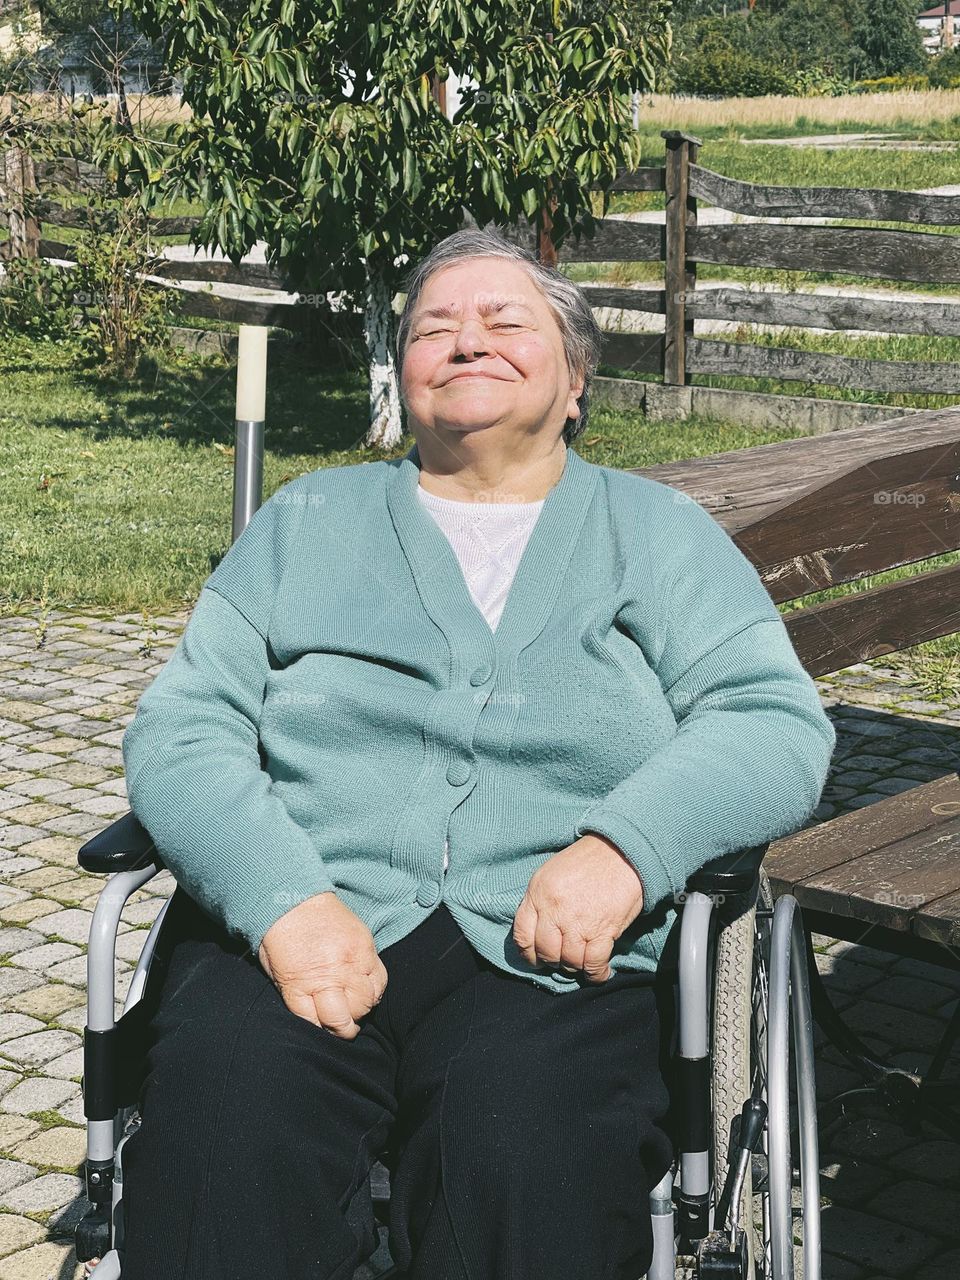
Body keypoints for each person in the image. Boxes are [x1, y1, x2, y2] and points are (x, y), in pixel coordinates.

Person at [108, 226, 836, 1280]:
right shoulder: (308, 517)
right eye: (433, 327)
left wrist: (624, 852)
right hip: (301, 930)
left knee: (524, 1156)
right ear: (404, 375)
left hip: (555, 953)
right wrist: (281, 900)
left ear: (576, 380)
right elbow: (182, 727)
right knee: (225, 1137)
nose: (466, 341)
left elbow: (773, 721)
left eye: (505, 321)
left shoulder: (658, 530)